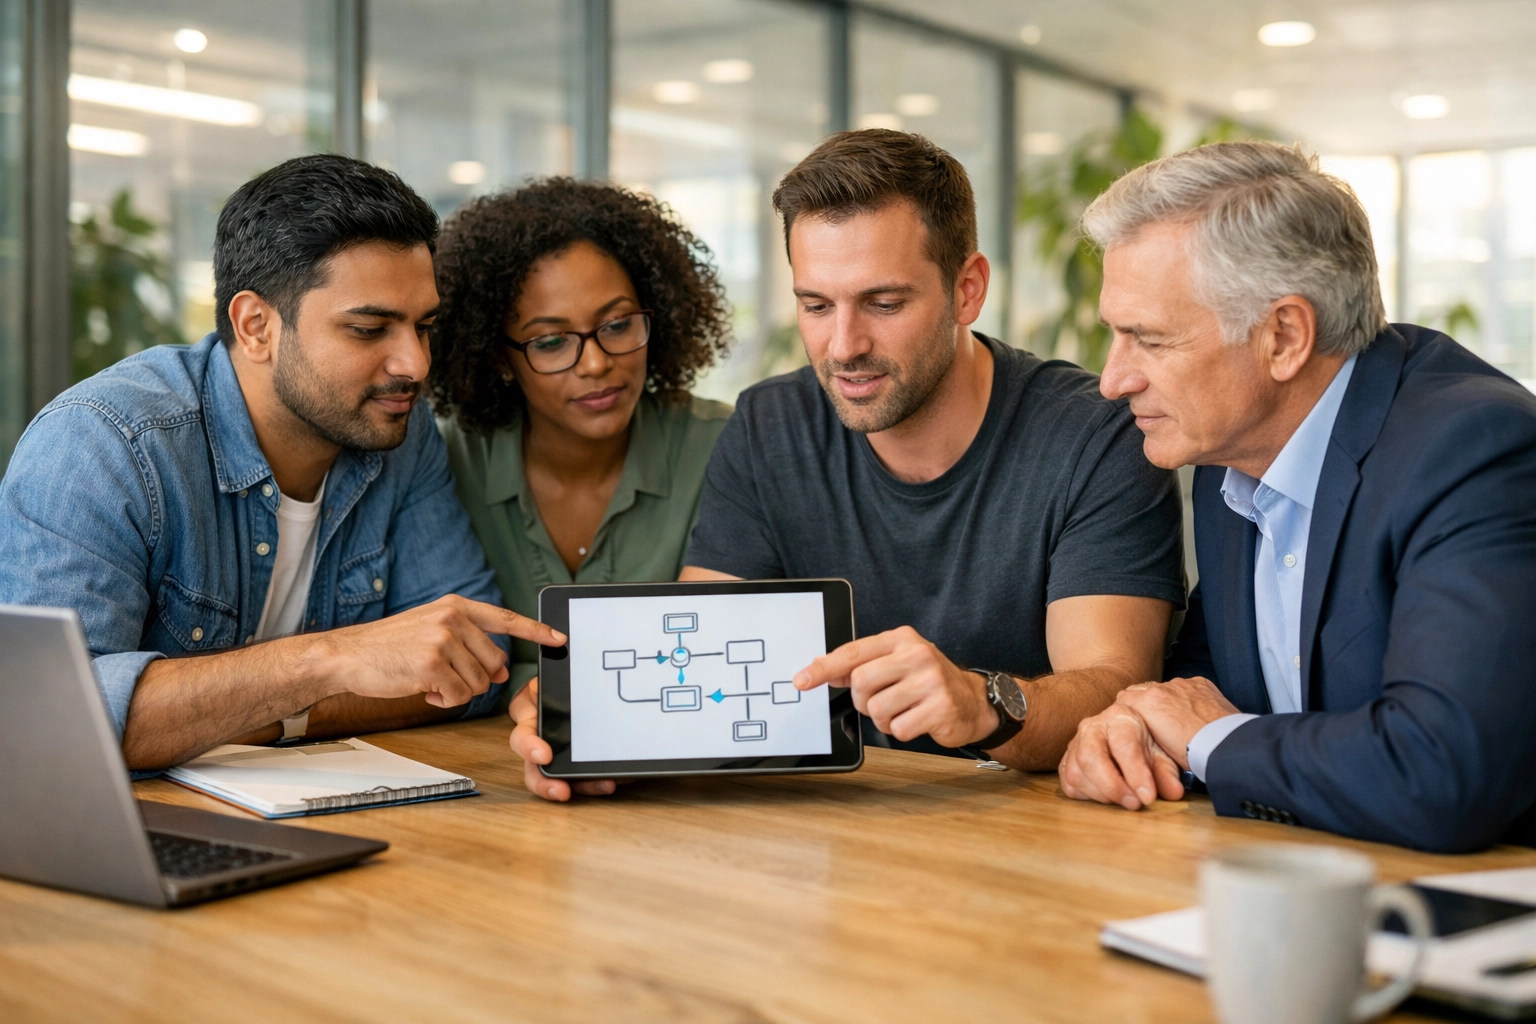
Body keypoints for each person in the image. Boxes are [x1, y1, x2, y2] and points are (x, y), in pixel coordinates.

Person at [510, 129, 1187, 801]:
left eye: (883, 304)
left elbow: (1114, 689)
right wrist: (601, 732)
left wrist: (981, 703)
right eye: (815, 305)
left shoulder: (1095, 436)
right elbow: (700, 669)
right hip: (834, 830)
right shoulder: (768, 426)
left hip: (1032, 831)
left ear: (967, 290)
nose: (843, 346)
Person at [0, 155, 561, 772]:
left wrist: (261, 711)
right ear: (256, 325)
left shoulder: (398, 425)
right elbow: (45, 720)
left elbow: (473, 666)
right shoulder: (104, 445)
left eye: (424, 326)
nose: (415, 365)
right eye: (370, 329)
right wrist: (326, 662)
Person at [1057, 140, 1536, 853]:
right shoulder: (1231, 451)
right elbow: (1206, 680)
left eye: (1149, 341)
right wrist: (1133, 724)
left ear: (1283, 336)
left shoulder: (1473, 450)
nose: (1113, 379)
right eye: (1115, 336)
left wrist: (1209, 739)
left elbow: (1441, 773)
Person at [428, 179, 734, 702]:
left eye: (617, 325)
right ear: (499, 357)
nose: (597, 364)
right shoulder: (447, 462)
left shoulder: (723, 448)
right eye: (551, 341)